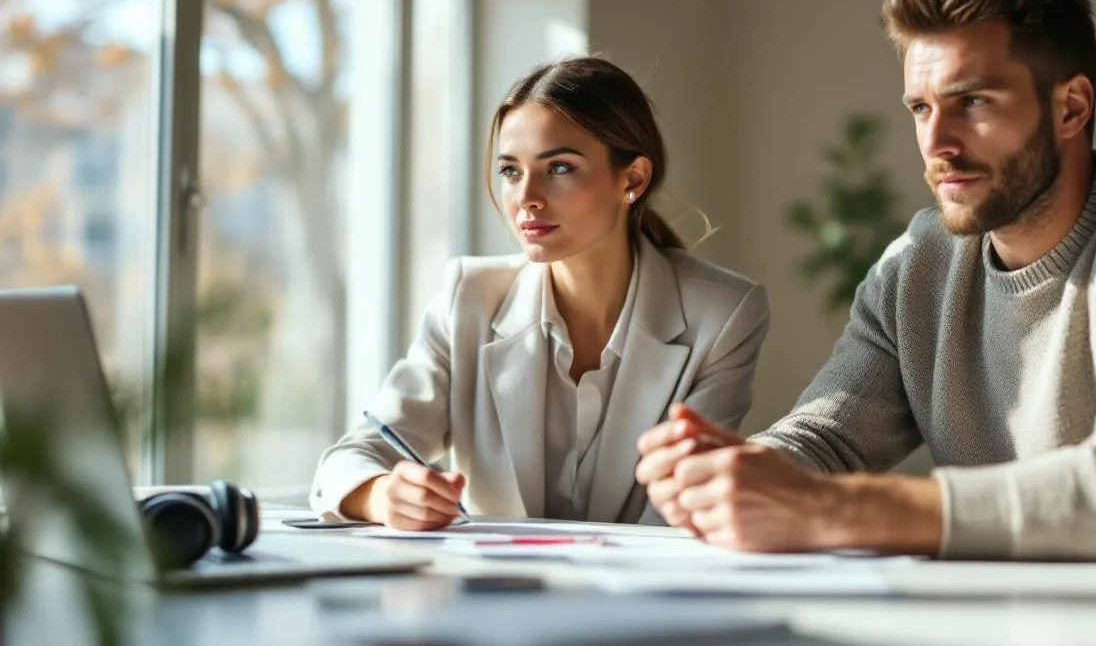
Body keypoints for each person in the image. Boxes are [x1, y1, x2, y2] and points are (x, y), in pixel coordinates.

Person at [634, 0, 1096, 569]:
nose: (937, 143)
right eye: (920, 107)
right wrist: (727, 477)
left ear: (1071, 107)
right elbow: (827, 442)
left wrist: (826, 508)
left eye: (973, 102)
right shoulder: (918, 264)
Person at [311, 56, 769, 529]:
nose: (526, 196)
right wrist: (382, 495)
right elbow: (351, 458)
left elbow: (682, 511)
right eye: (511, 171)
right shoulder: (469, 299)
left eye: (559, 168)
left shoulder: (724, 315)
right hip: (489, 577)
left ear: (632, 179)